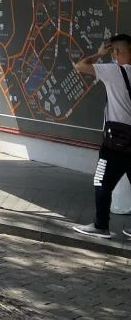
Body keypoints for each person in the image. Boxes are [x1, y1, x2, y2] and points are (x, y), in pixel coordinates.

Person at [72, 34, 131, 239]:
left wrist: (98, 54)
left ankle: (101, 225)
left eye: (113, 51)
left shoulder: (113, 71)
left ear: (116, 52)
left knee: (101, 182)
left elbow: (80, 66)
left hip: (115, 143)